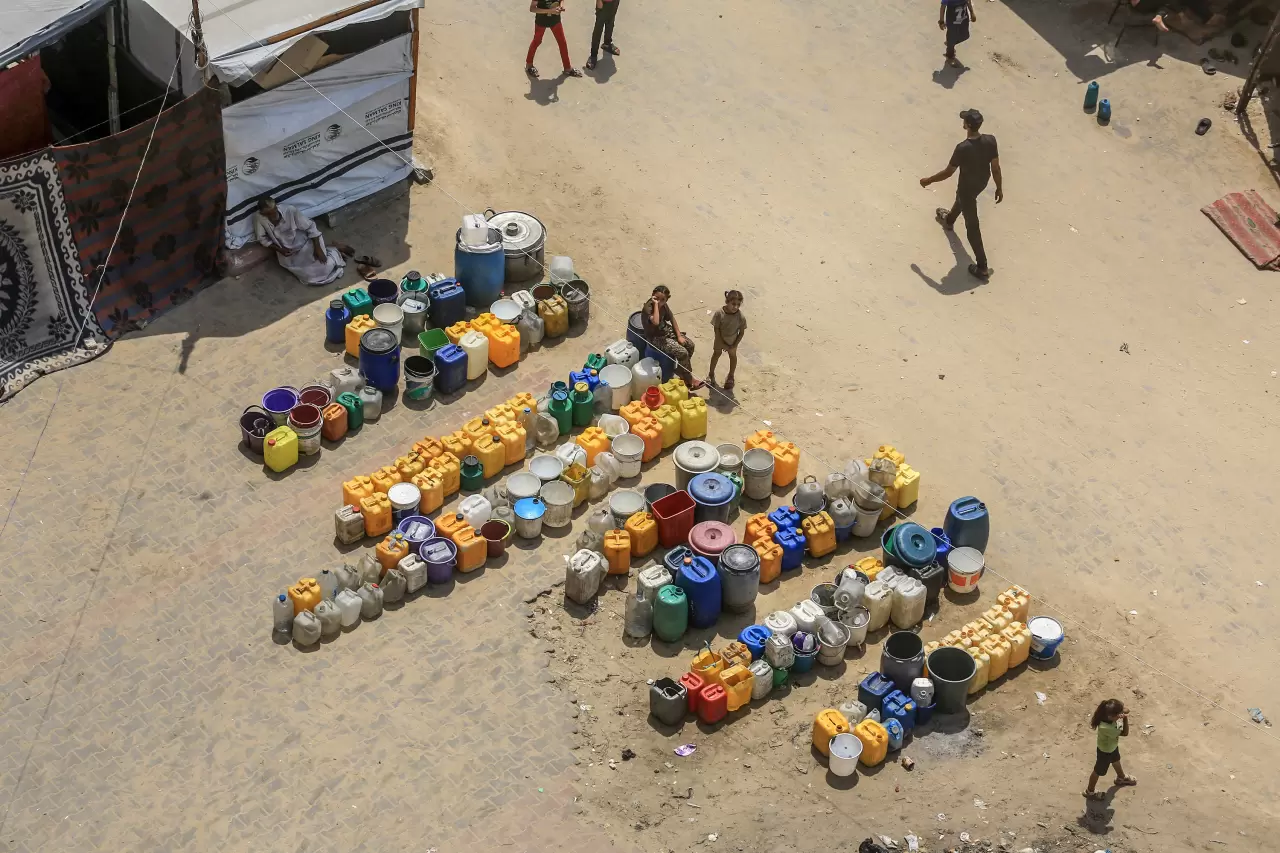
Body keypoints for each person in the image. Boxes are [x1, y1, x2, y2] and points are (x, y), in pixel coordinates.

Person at [919, 108, 1002, 280]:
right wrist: (999, 187)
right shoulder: (991, 141)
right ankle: (948, 220)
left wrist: (929, 180)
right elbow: (995, 167)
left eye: (964, 120)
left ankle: (982, 267)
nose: (962, 121)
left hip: (967, 187)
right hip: (982, 183)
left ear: (967, 126)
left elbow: (949, 172)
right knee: (964, 199)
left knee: (972, 226)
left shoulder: (962, 148)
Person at [254, 196, 347, 286]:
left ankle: (334, 251)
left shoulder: (290, 210)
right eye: (268, 214)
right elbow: (262, 238)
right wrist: (279, 249)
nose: (273, 214)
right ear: (263, 214)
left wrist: (317, 249)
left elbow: (311, 227)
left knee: (324, 268)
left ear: (276, 206)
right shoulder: (259, 218)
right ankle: (331, 249)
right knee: (308, 277)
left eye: (274, 210)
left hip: (306, 244)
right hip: (288, 253)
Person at [641, 285, 705, 390]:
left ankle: (681, 370)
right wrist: (656, 305)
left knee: (690, 345)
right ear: (653, 295)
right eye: (657, 298)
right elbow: (656, 322)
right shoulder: (648, 308)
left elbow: (671, 318)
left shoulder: (664, 305)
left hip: (665, 331)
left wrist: (679, 336)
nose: (660, 301)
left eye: (663, 300)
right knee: (682, 352)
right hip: (655, 338)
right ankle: (689, 378)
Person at [1085, 698, 1138, 800]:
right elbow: (1125, 733)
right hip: (1105, 752)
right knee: (1098, 771)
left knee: (1116, 760)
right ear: (1111, 716)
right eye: (1118, 714)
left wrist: (1122, 711)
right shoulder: (1107, 728)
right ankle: (1090, 791)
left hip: (1111, 747)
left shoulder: (1106, 715)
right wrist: (1125, 719)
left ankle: (1121, 777)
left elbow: (1126, 710)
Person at [527, 1, 584, 78]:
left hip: (555, 21)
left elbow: (561, 0)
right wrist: (550, 11)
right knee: (537, 41)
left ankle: (567, 68)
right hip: (541, 21)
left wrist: (561, 6)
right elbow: (532, 8)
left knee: (562, 43)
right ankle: (529, 65)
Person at [707, 290, 746, 390]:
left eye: (738, 304)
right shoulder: (720, 313)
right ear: (727, 302)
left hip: (732, 341)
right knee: (716, 354)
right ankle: (711, 374)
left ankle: (731, 376)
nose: (736, 307)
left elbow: (741, 332)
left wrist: (734, 345)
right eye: (733, 304)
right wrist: (722, 343)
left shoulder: (740, 317)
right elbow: (716, 329)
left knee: (733, 356)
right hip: (720, 340)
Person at [584, 0, 621, 72]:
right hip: (604, 2)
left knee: (610, 22)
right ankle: (593, 55)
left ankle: (607, 44)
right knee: (598, 27)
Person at [939, 0, 976, 67]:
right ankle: (949, 55)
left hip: (964, 17)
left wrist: (972, 12)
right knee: (952, 36)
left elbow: (968, 1)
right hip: (952, 19)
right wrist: (941, 21)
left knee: (965, 36)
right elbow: (943, 6)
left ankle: (950, 42)